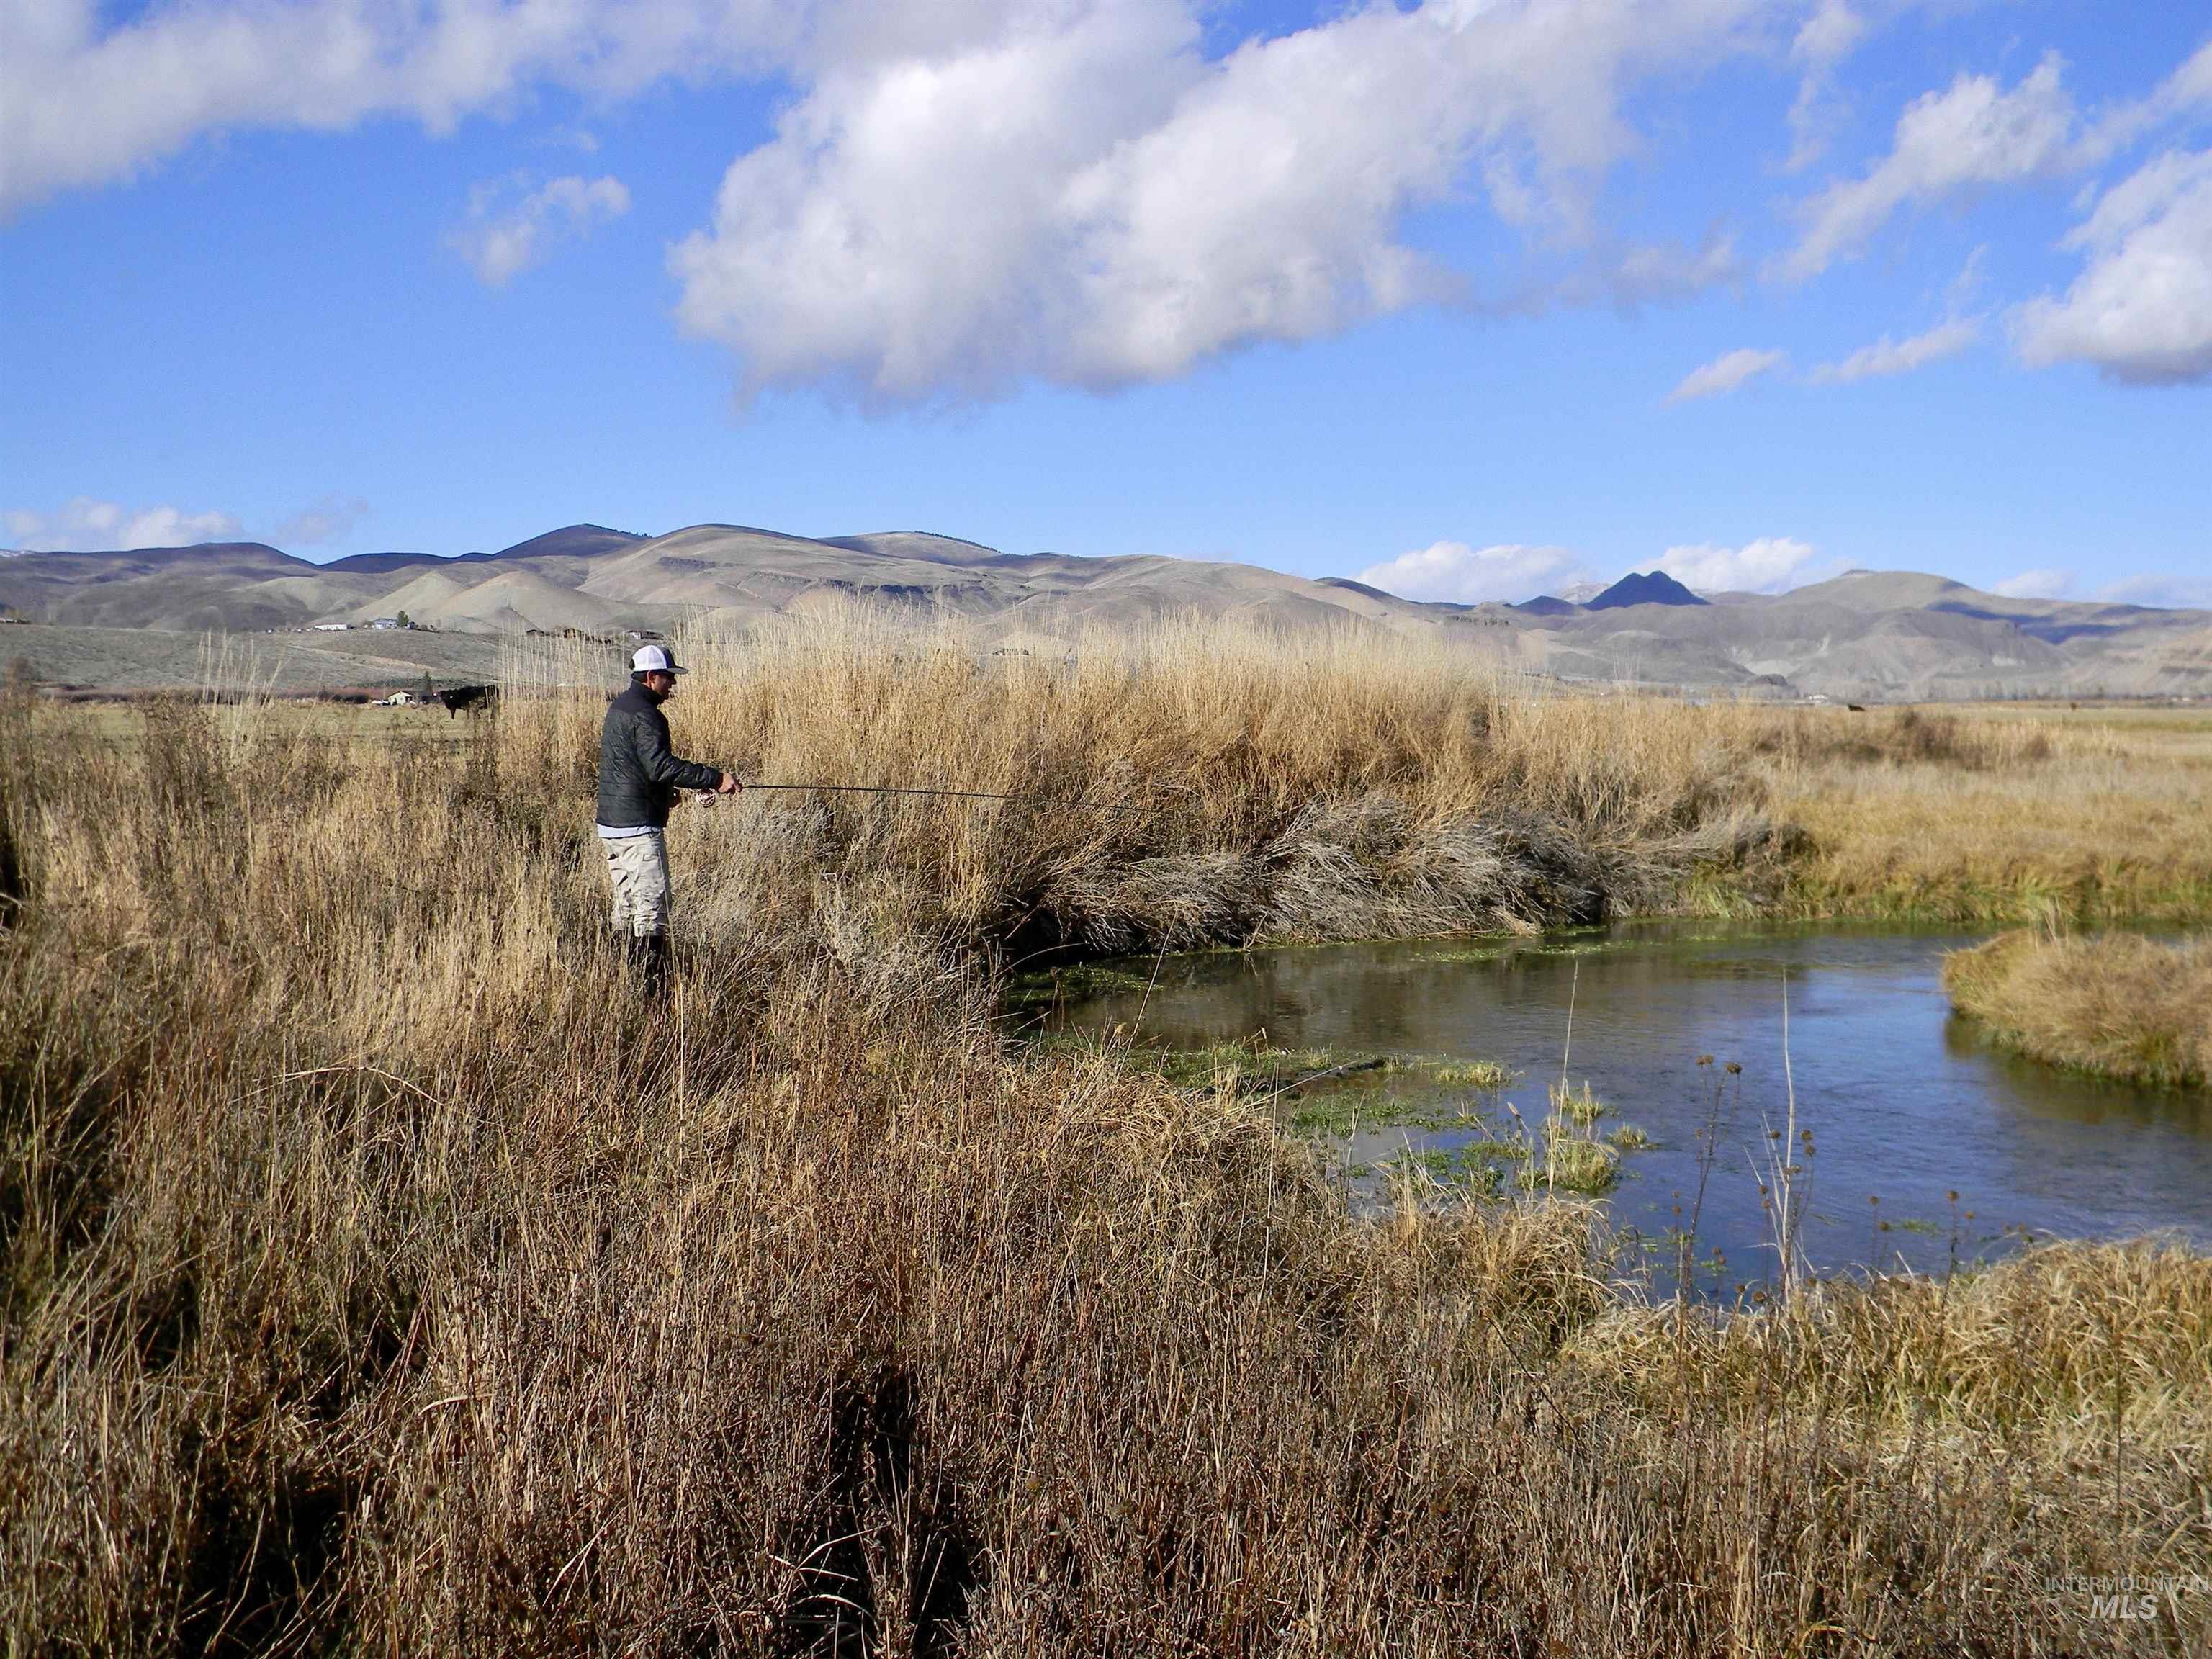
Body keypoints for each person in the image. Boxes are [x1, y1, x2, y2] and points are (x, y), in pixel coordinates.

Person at [595, 644, 738, 994]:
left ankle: (621, 984)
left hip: (613, 824)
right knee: (651, 910)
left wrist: (664, 794)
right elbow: (659, 765)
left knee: (626, 905)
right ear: (650, 678)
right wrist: (714, 778)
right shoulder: (647, 714)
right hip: (637, 828)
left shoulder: (620, 707)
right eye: (668, 678)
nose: (672, 684)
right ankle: (650, 995)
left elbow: (629, 766)